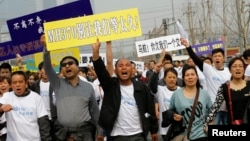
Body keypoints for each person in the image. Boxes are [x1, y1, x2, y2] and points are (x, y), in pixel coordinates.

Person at [92, 38, 158, 141]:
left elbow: (150, 109)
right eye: (120, 66)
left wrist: (154, 130)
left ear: (132, 70)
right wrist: (95, 53)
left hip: (138, 135)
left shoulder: (142, 87)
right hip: (117, 136)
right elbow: (101, 70)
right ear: (116, 71)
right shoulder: (111, 86)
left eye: (127, 65)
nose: (124, 68)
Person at [40, 34, 102, 141]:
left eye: (70, 63)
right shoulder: (57, 84)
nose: (67, 66)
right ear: (62, 70)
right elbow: (48, 67)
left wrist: (100, 132)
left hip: (85, 134)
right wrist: (46, 48)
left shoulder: (88, 87)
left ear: (78, 67)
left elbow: (95, 112)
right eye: (63, 65)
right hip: (64, 135)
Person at [181, 38, 231, 125]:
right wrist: (188, 47)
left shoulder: (229, 72)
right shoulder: (208, 69)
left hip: (227, 108)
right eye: (215, 56)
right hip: (214, 109)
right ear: (212, 58)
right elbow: (195, 59)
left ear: (223, 58)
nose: (217, 58)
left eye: (219, 56)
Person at [0, 71, 51, 141]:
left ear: (26, 83)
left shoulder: (36, 98)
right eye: (14, 83)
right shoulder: (7, 97)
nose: (18, 85)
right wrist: (1, 109)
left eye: (20, 82)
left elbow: (44, 124)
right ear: (11, 85)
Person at [167, 65, 212, 141]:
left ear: (197, 77)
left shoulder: (204, 94)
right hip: (183, 136)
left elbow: (212, 112)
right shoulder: (176, 94)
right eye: (187, 75)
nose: (190, 77)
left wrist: (209, 124)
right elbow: (170, 112)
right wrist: (173, 116)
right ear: (183, 78)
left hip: (202, 135)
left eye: (192, 74)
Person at [205, 57, 250, 127]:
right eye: (234, 66)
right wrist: (207, 123)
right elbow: (215, 107)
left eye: (240, 66)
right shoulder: (224, 87)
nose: (238, 68)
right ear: (230, 70)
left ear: (244, 69)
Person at [148, 63, 180, 140]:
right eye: (169, 77)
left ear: (176, 79)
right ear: (164, 79)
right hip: (165, 130)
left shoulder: (181, 91)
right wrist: (155, 72)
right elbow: (151, 85)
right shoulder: (160, 90)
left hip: (179, 128)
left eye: (173, 77)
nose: (171, 79)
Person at [29, 61, 57, 140]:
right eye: (45, 69)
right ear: (40, 71)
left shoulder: (56, 84)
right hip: (41, 118)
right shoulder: (35, 85)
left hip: (54, 118)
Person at [0, 76, 11, 141]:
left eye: (5, 83)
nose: (2, 85)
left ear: (10, 86)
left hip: (7, 131)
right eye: (0, 84)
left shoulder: (11, 96)